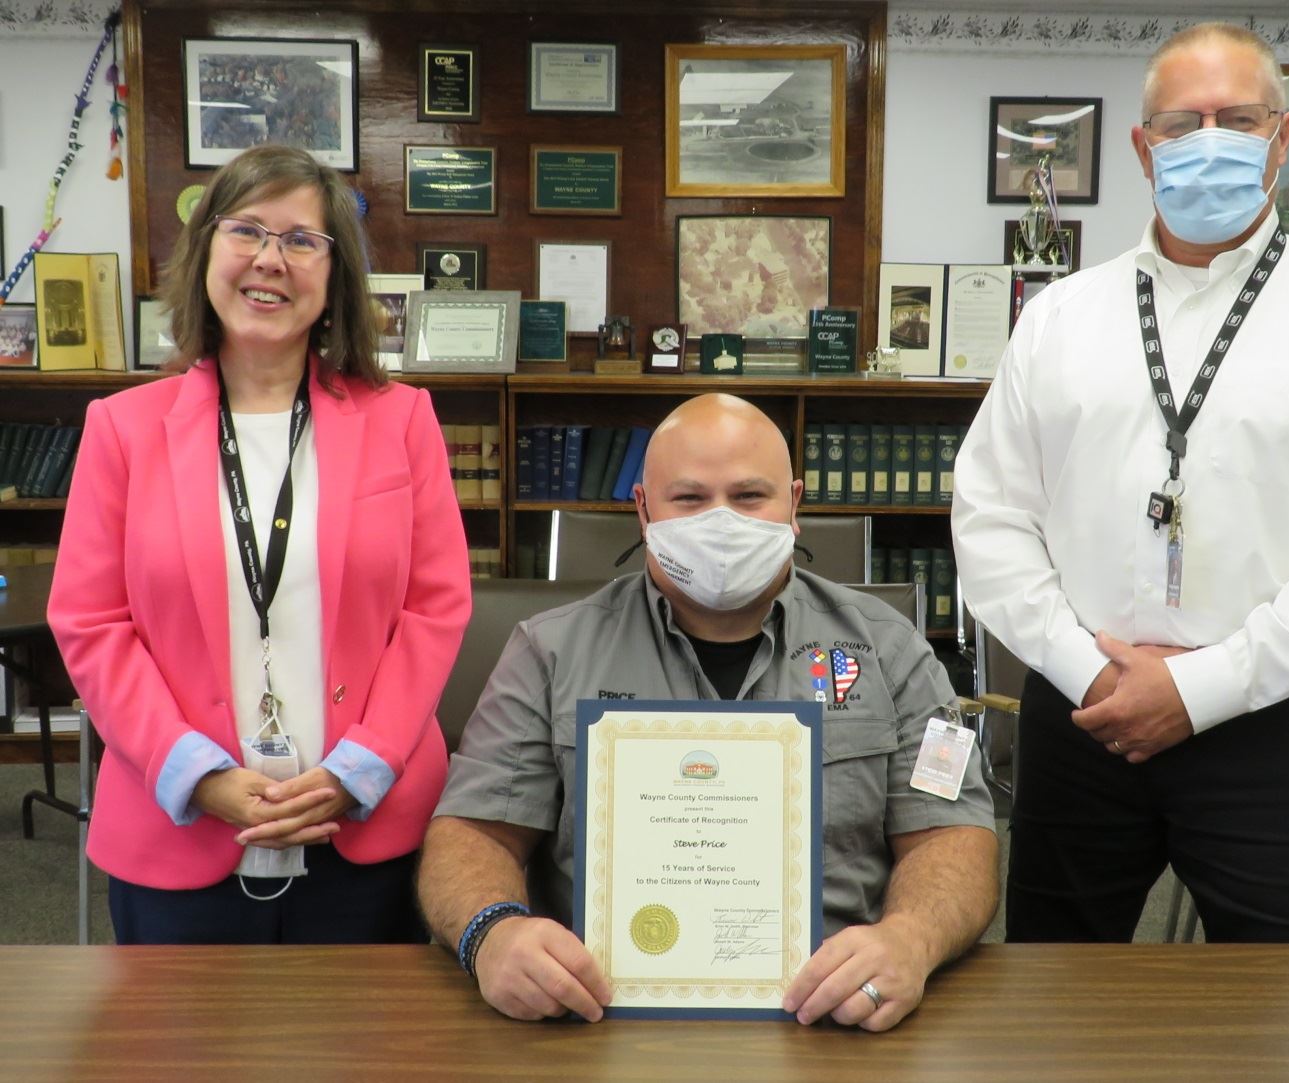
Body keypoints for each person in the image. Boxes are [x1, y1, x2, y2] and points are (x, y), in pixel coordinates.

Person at [952, 23, 1289, 944]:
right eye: (1181, 123)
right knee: (1054, 997)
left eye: (1237, 118)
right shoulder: (1058, 319)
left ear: (1281, 138)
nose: (1207, 139)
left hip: (1269, 719)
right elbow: (990, 516)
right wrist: (1091, 669)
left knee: (1278, 1013)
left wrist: (1200, 687)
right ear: (1142, 147)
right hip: (1081, 708)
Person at [418, 393, 997, 1031]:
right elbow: (472, 833)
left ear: (795, 506)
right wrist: (492, 934)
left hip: (838, 1012)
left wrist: (910, 940)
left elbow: (953, 835)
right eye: (689, 499)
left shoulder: (890, 652)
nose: (721, 522)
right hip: (596, 1014)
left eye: (750, 497)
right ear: (643, 509)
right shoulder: (549, 651)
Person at [48, 144, 472, 944]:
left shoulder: (401, 419)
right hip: (177, 838)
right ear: (206, 248)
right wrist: (193, 772)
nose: (270, 260)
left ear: (333, 272)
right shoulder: (123, 429)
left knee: (372, 1058)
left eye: (301, 240)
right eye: (246, 230)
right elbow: (92, 623)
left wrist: (363, 766)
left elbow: (435, 607)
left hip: (366, 831)